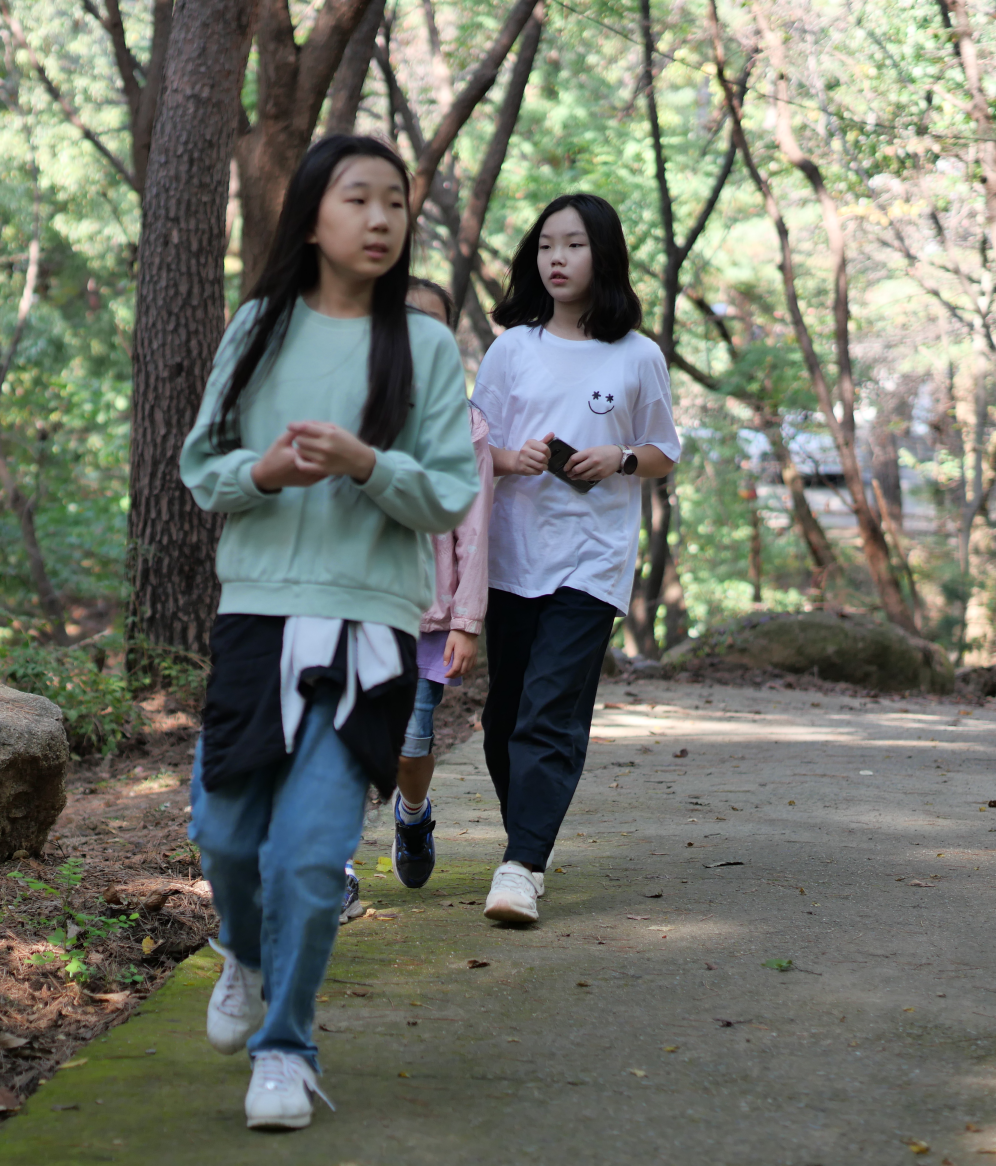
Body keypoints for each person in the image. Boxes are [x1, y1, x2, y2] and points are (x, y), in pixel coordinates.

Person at [180, 136, 478, 1130]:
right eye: (358, 198)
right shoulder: (259, 327)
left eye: (395, 201)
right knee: (223, 833)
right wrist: (263, 474)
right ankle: (243, 949)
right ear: (312, 217)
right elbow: (201, 467)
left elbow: (449, 495)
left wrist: (366, 463)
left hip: (370, 626)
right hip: (259, 613)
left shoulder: (424, 348)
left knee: (311, 858)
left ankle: (286, 1048)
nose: (381, 219)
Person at [470, 193, 680, 924]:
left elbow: (663, 451)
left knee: (549, 712)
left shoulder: (637, 355)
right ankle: (525, 842)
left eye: (574, 245)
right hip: (510, 556)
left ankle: (522, 865)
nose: (556, 259)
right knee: (505, 718)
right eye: (545, 246)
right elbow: (473, 444)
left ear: (604, 255)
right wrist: (514, 458)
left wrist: (618, 457)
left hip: (591, 562)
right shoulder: (511, 349)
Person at [384, 278, 494, 893]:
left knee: (411, 742)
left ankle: (413, 814)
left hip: (428, 615)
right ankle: (333, 865)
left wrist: (466, 621)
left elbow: (473, 530)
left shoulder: (466, 425)